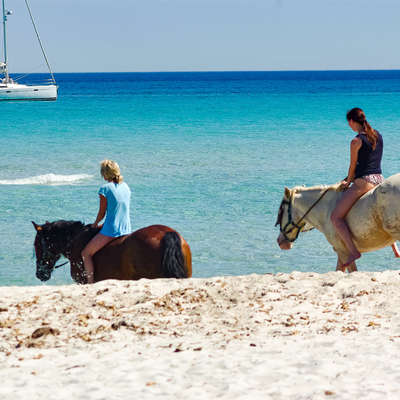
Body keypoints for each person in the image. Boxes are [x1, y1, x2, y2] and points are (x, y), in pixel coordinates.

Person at [331, 107, 385, 269]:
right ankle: (394, 248)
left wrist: (347, 181)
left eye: (349, 124)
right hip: (380, 179)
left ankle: (354, 251)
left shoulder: (356, 141)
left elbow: (353, 165)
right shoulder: (378, 135)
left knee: (336, 218)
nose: (350, 127)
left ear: (352, 121)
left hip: (364, 182)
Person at [81, 160, 131, 283]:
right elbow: (119, 210)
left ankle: (90, 283)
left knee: (85, 254)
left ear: (104, 174)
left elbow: (102, 213)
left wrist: (95, 224)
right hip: (126, 228)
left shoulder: (105, 188)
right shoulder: (125, 186)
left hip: (112, 230)